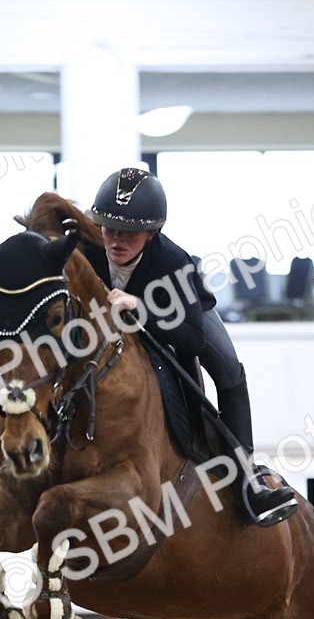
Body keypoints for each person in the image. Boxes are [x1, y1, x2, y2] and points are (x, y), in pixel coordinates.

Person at [84, 167, 297, 520]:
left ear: (152, 233)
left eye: (130, 233)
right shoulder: (87, 249)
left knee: (229, 368)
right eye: (109, 229)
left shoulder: (173, 262)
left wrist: (142, 308)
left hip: (183, 314)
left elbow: (190, 337)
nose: (116, 240)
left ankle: (246, 478)